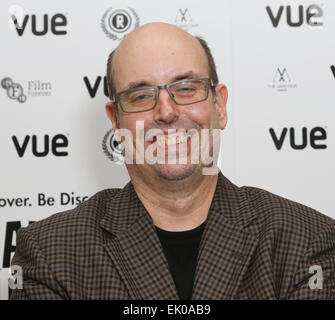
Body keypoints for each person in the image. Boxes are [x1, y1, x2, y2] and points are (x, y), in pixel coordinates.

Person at [11, 22, 335, 300]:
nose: (166, 112)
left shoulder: (307, 240)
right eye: (140, 95)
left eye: (186, 87)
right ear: (115, 120)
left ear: (219, 106)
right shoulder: (49, 254)